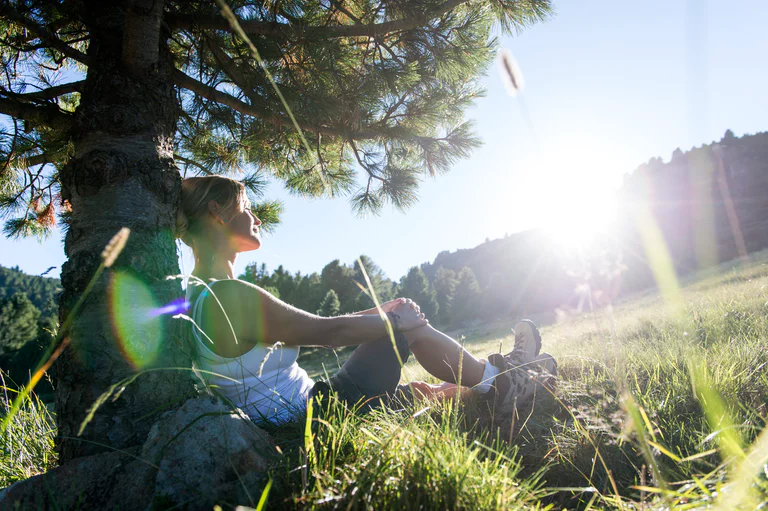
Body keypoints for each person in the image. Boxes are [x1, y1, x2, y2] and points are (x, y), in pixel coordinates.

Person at [175, 175, 557, 424]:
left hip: (313, 405)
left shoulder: (203, 292)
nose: (256, 218)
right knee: (409, 329)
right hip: (318, 410)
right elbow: (328, 332)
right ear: (217, 214)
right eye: (246, 208)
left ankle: (510, 377)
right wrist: (397, 324)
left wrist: (382, 312)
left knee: (427, 392)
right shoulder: (228, 295)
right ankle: (506, 382)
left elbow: (318, 325)